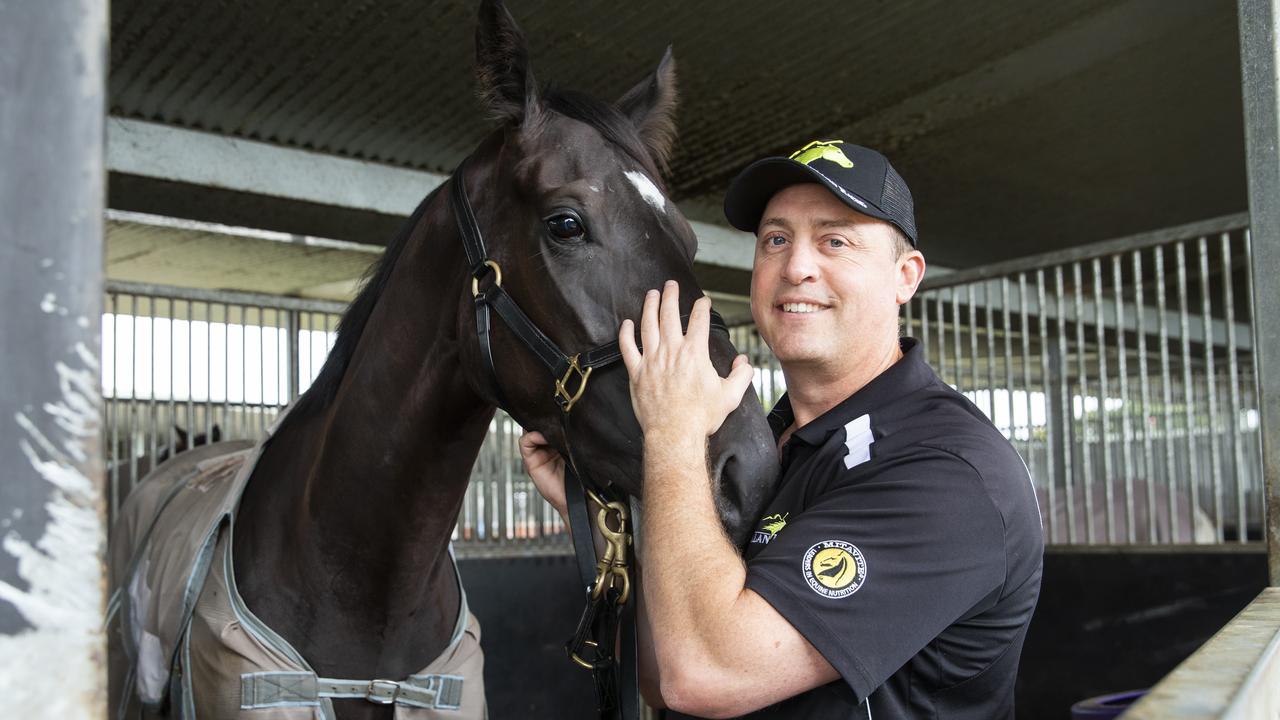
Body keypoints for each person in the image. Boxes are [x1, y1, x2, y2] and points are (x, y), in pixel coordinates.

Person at [520, 139, 1044, 719]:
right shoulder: (764, 445)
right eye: (776, 239)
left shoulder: (950, 472)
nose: (796, 267)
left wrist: (671, 434)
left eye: (835, 241)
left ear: (905, 276)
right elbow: (664, 673)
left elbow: (707, 675)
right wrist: (595, 521)